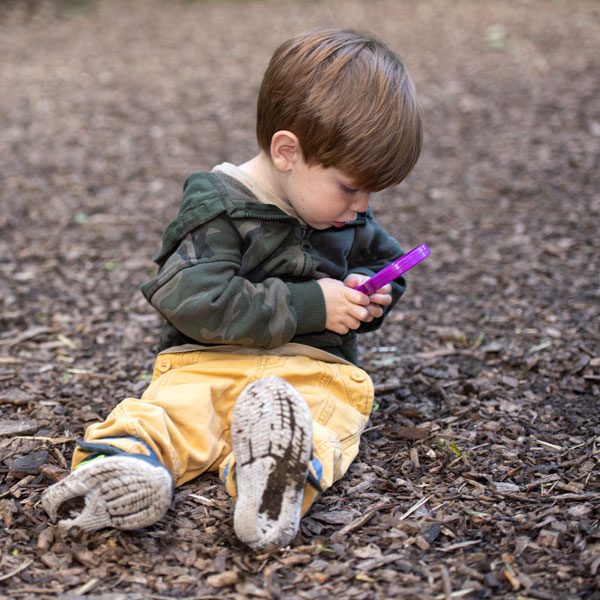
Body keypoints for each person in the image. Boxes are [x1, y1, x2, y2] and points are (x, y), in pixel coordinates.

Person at [42, 27, 423, 549]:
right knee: (172, 412)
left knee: (324, 420)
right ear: (287, 151)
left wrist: (370, 293)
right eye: (351, 187)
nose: (361, 205)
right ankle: (123, 470)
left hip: (310, 371)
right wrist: (313, 303)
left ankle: (272, 477)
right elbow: (197, 300)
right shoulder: (221, 207)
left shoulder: (343, 215)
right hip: (209, 361)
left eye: (371, 191)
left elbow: (386, 262)